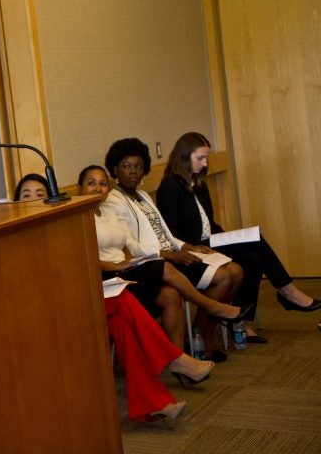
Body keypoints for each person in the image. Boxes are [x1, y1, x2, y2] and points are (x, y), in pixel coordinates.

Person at [16, 174, 215, 426]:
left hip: (82, 298)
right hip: (49, 308)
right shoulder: (14, 235)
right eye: (26, 195)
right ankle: (174, 358)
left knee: (123, 326)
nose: (34, 199)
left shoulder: (59, 226)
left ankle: (155, 405)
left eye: (40, 194)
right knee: (121, 298)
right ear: (15, 202)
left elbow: (79, 263)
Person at [156, 132, 321, 341]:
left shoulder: (198, 183)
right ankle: (287, 291)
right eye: (200, 158)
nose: (205, 163)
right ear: (183, 156)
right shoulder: (169, 186)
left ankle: (241, 322)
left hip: (211, 241)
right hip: (192, 248)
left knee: (254, 259)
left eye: (206, 158)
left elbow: (210, 224)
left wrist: (230, 238)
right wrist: (219, 242)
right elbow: (170, 232)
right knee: (255, 239)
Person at [101, 139, 252, 362]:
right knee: (222, 277)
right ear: (115, 169)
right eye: (127, 166)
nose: (133, 171)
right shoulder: (114, 201)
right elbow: (132, 245)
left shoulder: (141, 195)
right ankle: (203, 337)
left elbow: (165, 233)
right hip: (154, 261)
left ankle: (201, 335)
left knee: (236, 270)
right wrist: (169, 254)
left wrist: (187, 247)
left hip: (173, 253)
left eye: (138, 166)